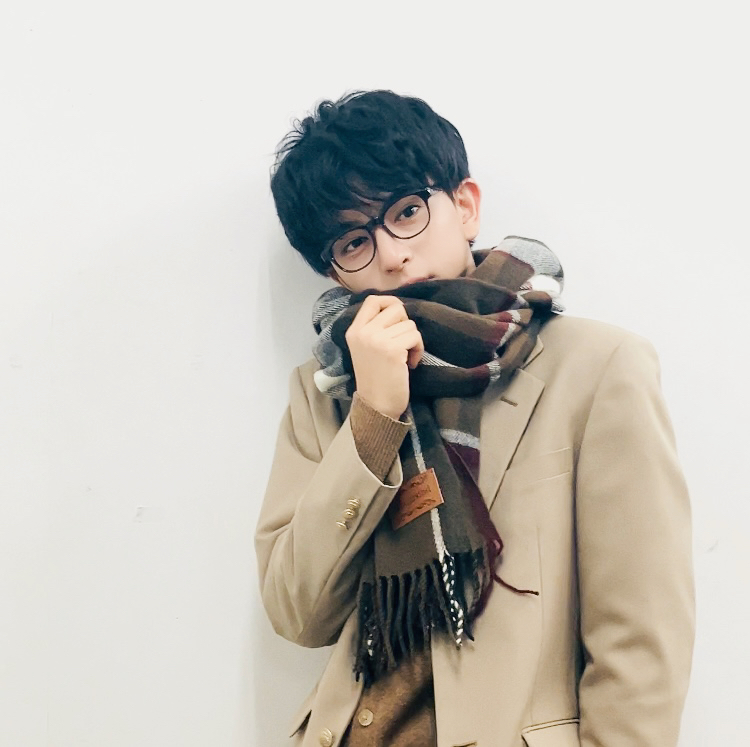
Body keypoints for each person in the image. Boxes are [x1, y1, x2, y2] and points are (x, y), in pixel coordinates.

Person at [254, 90, 694, 747]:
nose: (391, 255)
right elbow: (299, 613)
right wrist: (373, 417)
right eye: (354, 241)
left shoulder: (597, 368)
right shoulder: (325, 392)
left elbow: (642, 643)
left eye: (406, 211)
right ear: (335, 274)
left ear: (464, 207)